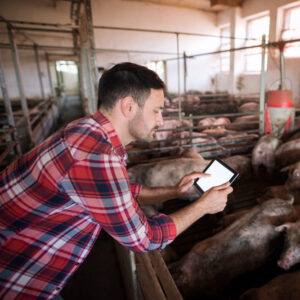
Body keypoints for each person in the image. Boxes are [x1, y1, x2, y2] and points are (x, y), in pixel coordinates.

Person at [0, 62, 233, 299]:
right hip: (17, 277)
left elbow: (117, 191)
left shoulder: (85, 131)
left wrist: (173, 191)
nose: (161, 120)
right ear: (129, 106)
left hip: (24, 258)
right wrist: (204, 206)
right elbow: (146, 239)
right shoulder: (98, 157)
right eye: (157, 110)